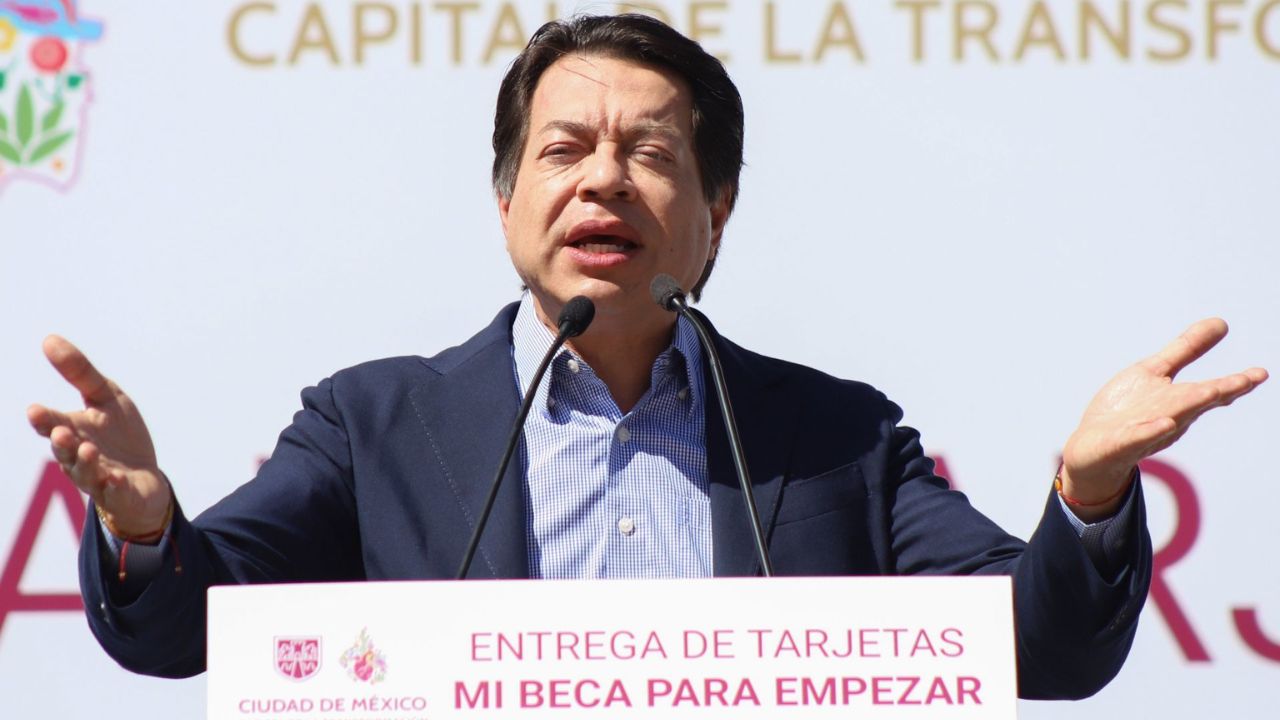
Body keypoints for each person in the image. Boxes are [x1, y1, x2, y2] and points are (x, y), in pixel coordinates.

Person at [26, 14, 1266, 699]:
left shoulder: (826, 438)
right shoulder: (375, 424)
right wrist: (142, 526)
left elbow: (1034, 647)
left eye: (650, 153)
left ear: (717, 209)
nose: (603, 179)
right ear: (504, 198)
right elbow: (192, 630)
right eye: (564, 150)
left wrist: (1087, 495)